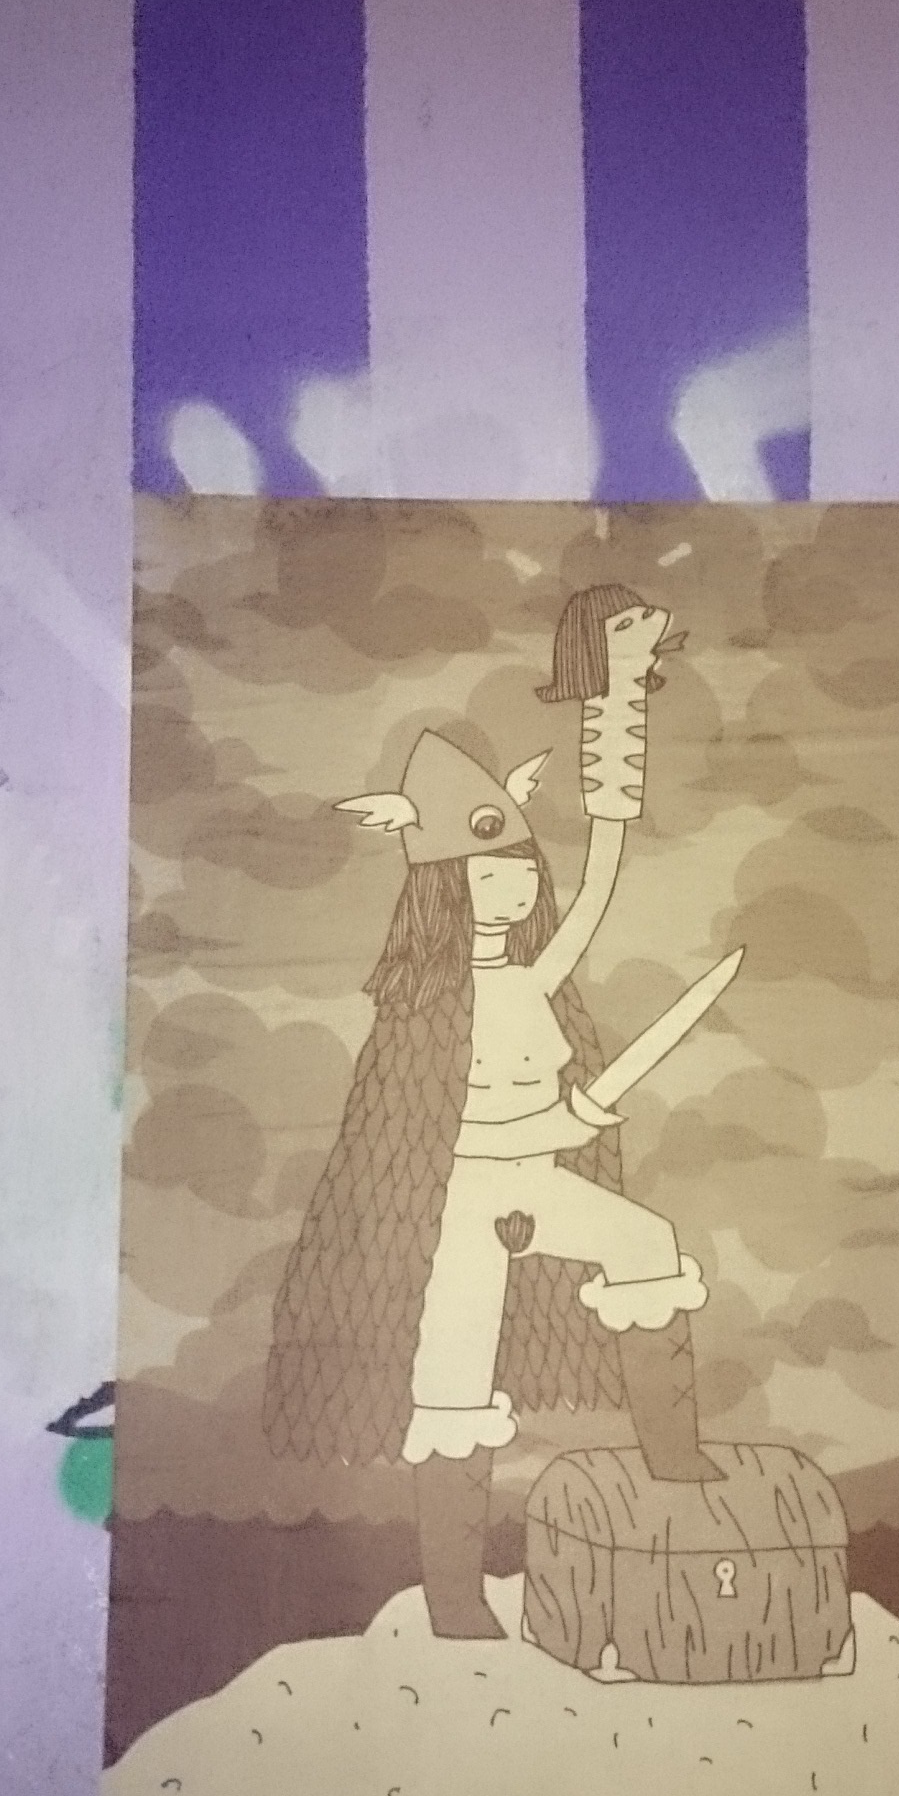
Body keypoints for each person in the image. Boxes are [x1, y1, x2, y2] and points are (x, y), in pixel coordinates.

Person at [263, 595, 718, 1637]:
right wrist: (562, 1121)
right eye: (488, 875)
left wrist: (615, 724)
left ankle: (676, 1460)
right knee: (453, 1377)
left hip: (535, 1180)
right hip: (459, 1204)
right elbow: (426, 1135)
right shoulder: (422, 1007)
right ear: (443, 887)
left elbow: (598, 887)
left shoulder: (529, 978)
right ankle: (456, 1598)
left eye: (519, 873)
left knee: (646, 1244)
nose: (512, 891)